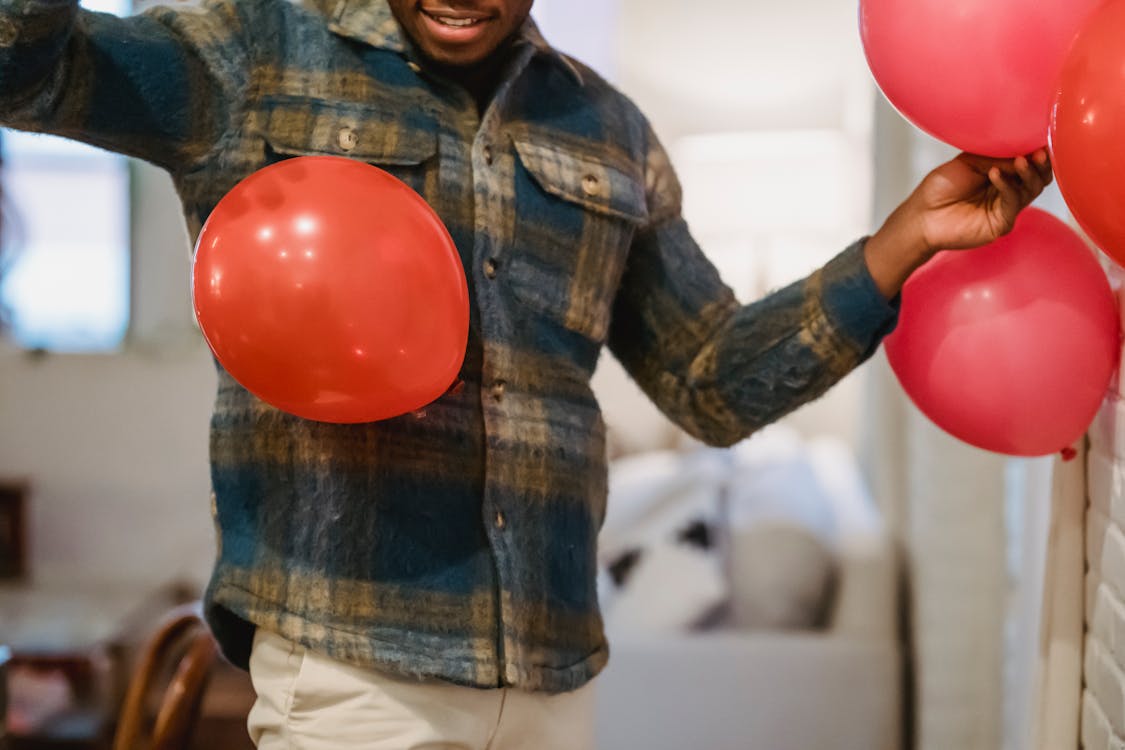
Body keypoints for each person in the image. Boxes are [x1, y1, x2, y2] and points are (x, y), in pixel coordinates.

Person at [0, 0, 1053, 747]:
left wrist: (903, 239)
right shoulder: (250, 54)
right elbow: (27, 68)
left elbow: (713, 383)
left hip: (552, 681)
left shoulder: (610, 134)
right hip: (355, 672)